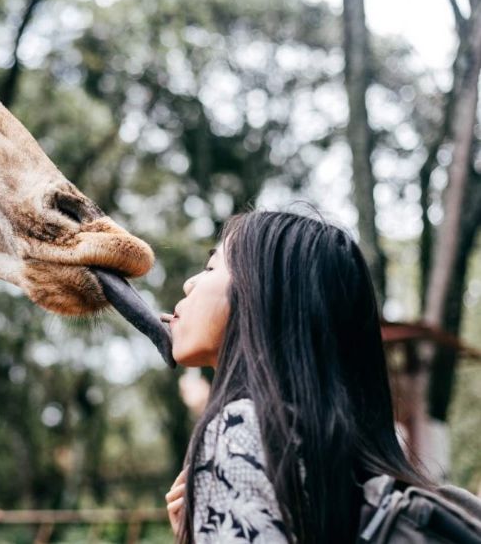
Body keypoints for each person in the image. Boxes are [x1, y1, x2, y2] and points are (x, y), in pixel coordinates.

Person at [163, 210, 432, 543]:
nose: (190, 283)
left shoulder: (243, 428)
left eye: (211, 268)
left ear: (260, 295)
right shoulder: (333, 446)